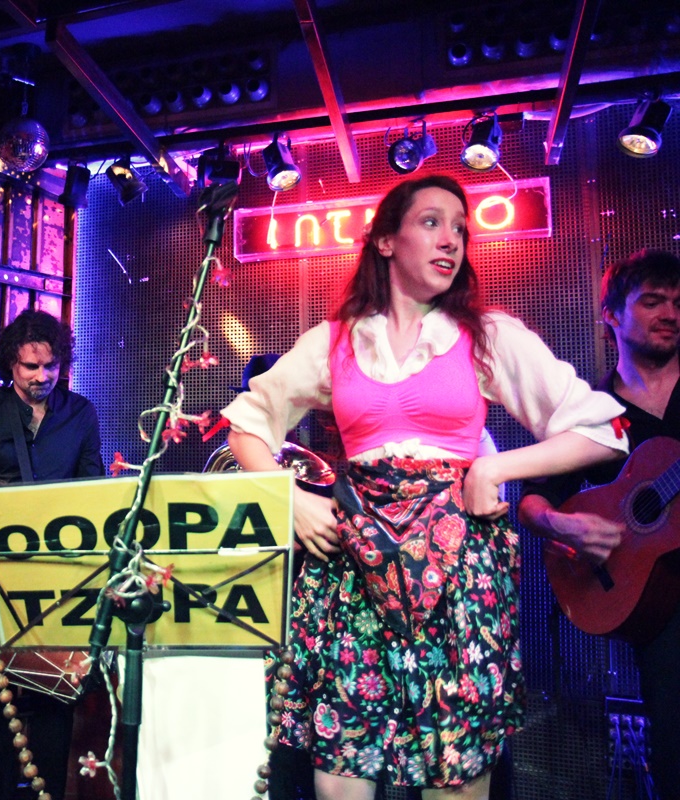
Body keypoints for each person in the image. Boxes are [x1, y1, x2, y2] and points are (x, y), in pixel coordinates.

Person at [221, 174, 628, 799]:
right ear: (386, 240)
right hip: (355, 566)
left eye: (461, 228)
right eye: (432, 222)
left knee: (455, 770)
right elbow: (247, 425)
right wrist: (292, 498)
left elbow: (602, 430)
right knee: (342, 768)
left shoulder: (485, 334)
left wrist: (493, 469)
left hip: (457, 567)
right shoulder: (335, 340)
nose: (452, 239)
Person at [518, 249, 680, 799]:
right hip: (661, 613)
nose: (670, 314)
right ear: (611, 314)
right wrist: (565, 528)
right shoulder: (594, 412)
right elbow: (534, 500)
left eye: (678, 302)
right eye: (653, 301)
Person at [0, 308, 103, 800]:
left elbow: (93, 492)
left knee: (56, 708)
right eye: (30, 366)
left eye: (50, 366)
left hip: (60, 579)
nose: (41, 376)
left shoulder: (81, 413)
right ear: (10, 362)